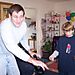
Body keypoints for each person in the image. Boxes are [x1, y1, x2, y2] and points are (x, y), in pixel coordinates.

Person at [0, 4, 49, 75]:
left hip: (10, 54)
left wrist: (30, 51)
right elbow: (11, 46)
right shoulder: (4, 26)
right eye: (15, 17)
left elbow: (22, 39)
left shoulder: (23, 25)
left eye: (21, 16)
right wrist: (32, 61)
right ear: (10, 16)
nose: (18, 20)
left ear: (23, 16)